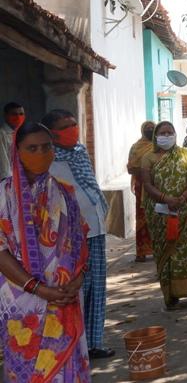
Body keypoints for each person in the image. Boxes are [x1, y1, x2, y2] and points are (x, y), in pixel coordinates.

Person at [0, 122, 91, 381]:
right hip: (22, 301)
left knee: (66, 366)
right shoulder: (3, 196)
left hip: (65, 296)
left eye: (46, 147)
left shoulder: (63, 192)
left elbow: (80, 242)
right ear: (16, 151)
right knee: (28, 366)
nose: (40, 153)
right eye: (32, 148)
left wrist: (77, 281)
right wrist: (39, 289)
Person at [43, 109, 115, 360]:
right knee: (76, 289)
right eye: (66, 126)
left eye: (74, 124)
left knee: (97, 287)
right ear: (52, 133)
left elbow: (89, 186)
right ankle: (73, 343)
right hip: (67, 237)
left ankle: (94, 342)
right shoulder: (47, 160)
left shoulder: (80, 152)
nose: (73, 129)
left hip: (94, 230)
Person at [140, 121, 187, 310]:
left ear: (175, 135)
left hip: (185, 210)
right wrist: (166, 198)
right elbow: (147, 185)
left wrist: (182, 197)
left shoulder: (185, 154)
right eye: (162, 133)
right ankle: (171, 295)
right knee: (167, 251)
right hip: (160, 213)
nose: (166, 136)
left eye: (170, 132)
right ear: (155, 137)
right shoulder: (148, 158)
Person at [127, 121, 156, 262]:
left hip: (157, 185)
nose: (150, 130)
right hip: (141, 186)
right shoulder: (135, 147)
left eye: (152, 128)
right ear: (142, 131)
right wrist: (144, 170)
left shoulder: (159, 147)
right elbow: (130, 167)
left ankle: (157, 249)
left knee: (156, 217)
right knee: (142, 217)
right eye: (147, 129)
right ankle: (142, 251)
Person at [0, 101, 25, 179]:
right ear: (5, 116)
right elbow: (4, 164)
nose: (18, 117)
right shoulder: (2, 134)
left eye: (21, 114)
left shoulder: (22, 133)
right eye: (14, 114)